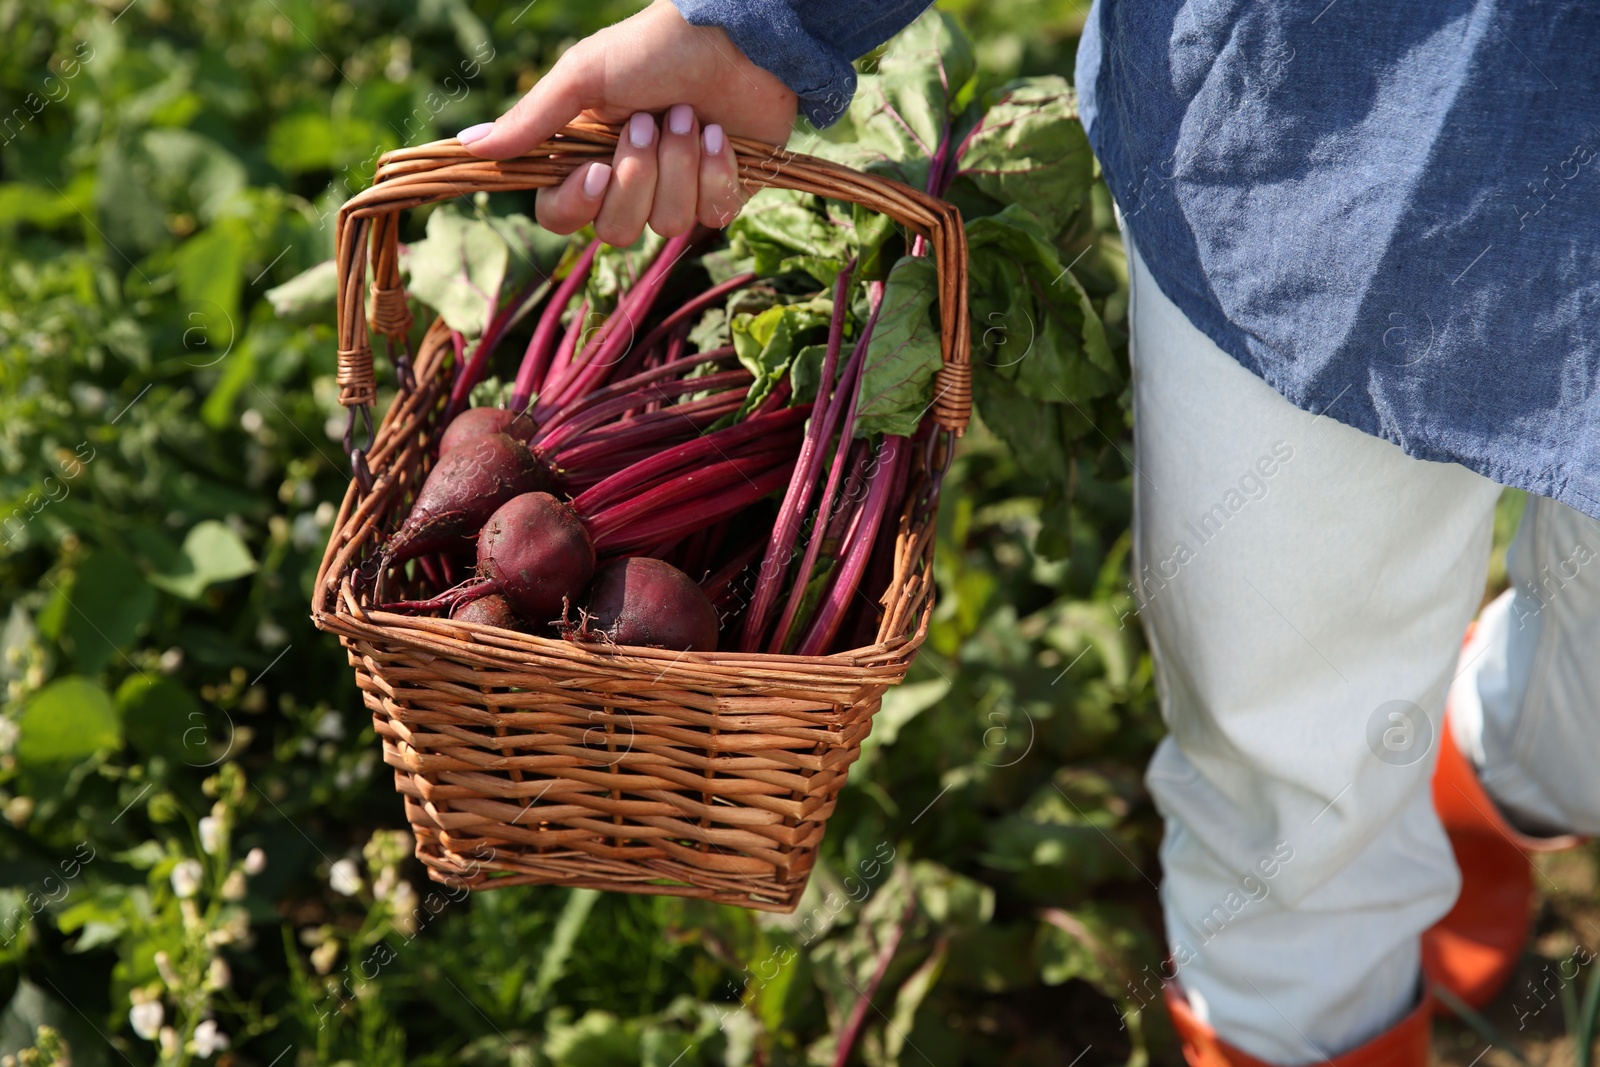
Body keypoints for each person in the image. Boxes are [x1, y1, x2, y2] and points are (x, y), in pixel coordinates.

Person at [459, 2, 1600, 1063]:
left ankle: (1493, 760)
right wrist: (770, 24)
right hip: (1315, 153)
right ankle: (1306, 1007)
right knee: (1290, 765)